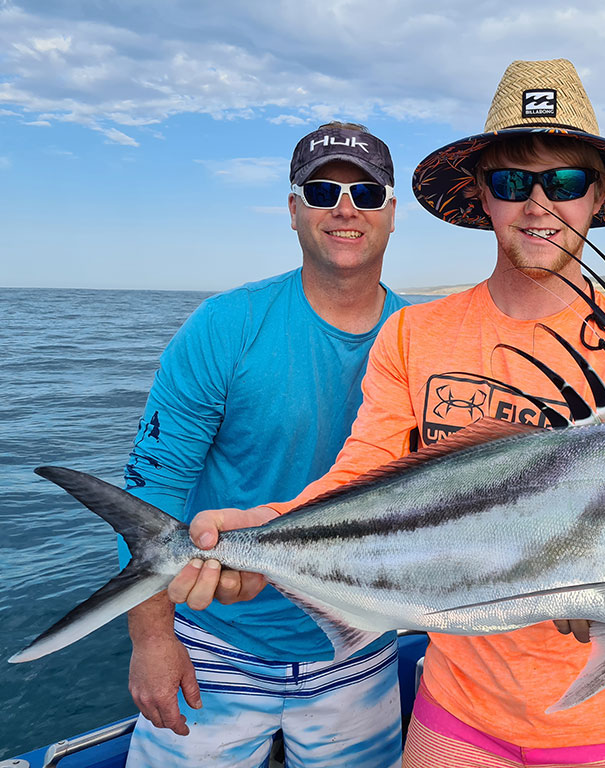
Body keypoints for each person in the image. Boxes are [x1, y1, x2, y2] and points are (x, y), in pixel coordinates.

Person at [172, 60, 605, 767]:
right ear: (484, 197)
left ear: (598, 196)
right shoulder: (416, 335)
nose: (539, 203)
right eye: (513, 182)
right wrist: (268, 529)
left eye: (565, 181)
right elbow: (363, 479)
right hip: (461, 711)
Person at [122, 121, 408, 768]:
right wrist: (150, 639)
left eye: (365, 193)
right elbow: (151, 492)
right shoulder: (225, 326)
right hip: (215, 644)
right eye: (321, 189)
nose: (344, 207)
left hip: (358, 647)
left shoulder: (421, 341)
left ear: (390, 214)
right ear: (292, 209)